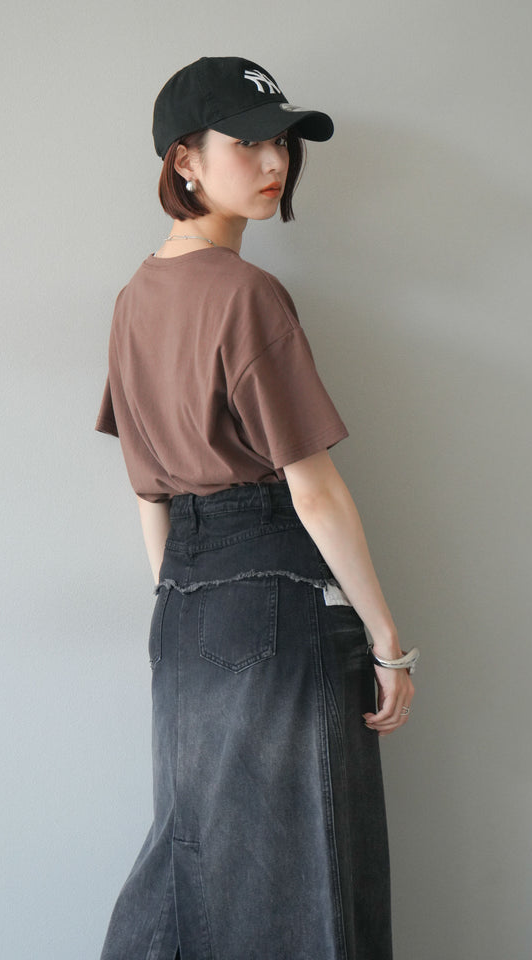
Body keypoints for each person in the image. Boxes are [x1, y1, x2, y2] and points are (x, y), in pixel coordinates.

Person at [96, 56, 417, 960]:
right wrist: (388, 641)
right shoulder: (248, 295)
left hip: (183, 608)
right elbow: (312, 488)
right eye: (247, 143)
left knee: (200, 870)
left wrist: (180, 603)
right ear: (184, 160)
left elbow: (149, 490)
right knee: (308, 877)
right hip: (278, 599)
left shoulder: (131, 301)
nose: (274, 161)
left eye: (281, 142)